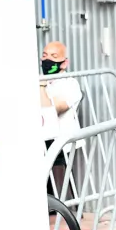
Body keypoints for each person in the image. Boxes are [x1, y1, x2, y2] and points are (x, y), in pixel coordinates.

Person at [40, 42, 83, 198]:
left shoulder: (70, 84)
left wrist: (41, 87)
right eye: (44, 56)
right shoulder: (39, 82)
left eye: (54, 56)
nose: (47, 60)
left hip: (60, 138)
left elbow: (52, 110)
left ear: (64, 62)